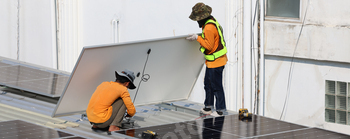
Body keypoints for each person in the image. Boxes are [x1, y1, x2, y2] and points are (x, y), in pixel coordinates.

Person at [186, 2, 228, 116]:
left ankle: (221, 110)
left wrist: (197, 38)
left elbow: (209, 46)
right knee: (208, 84)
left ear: (201, 18)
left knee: (216, 86)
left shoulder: (209, 28)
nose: (197, 22)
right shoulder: (211, 22)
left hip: (216, 62)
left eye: (197, 19)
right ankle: (208, 107)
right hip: (212, 61)